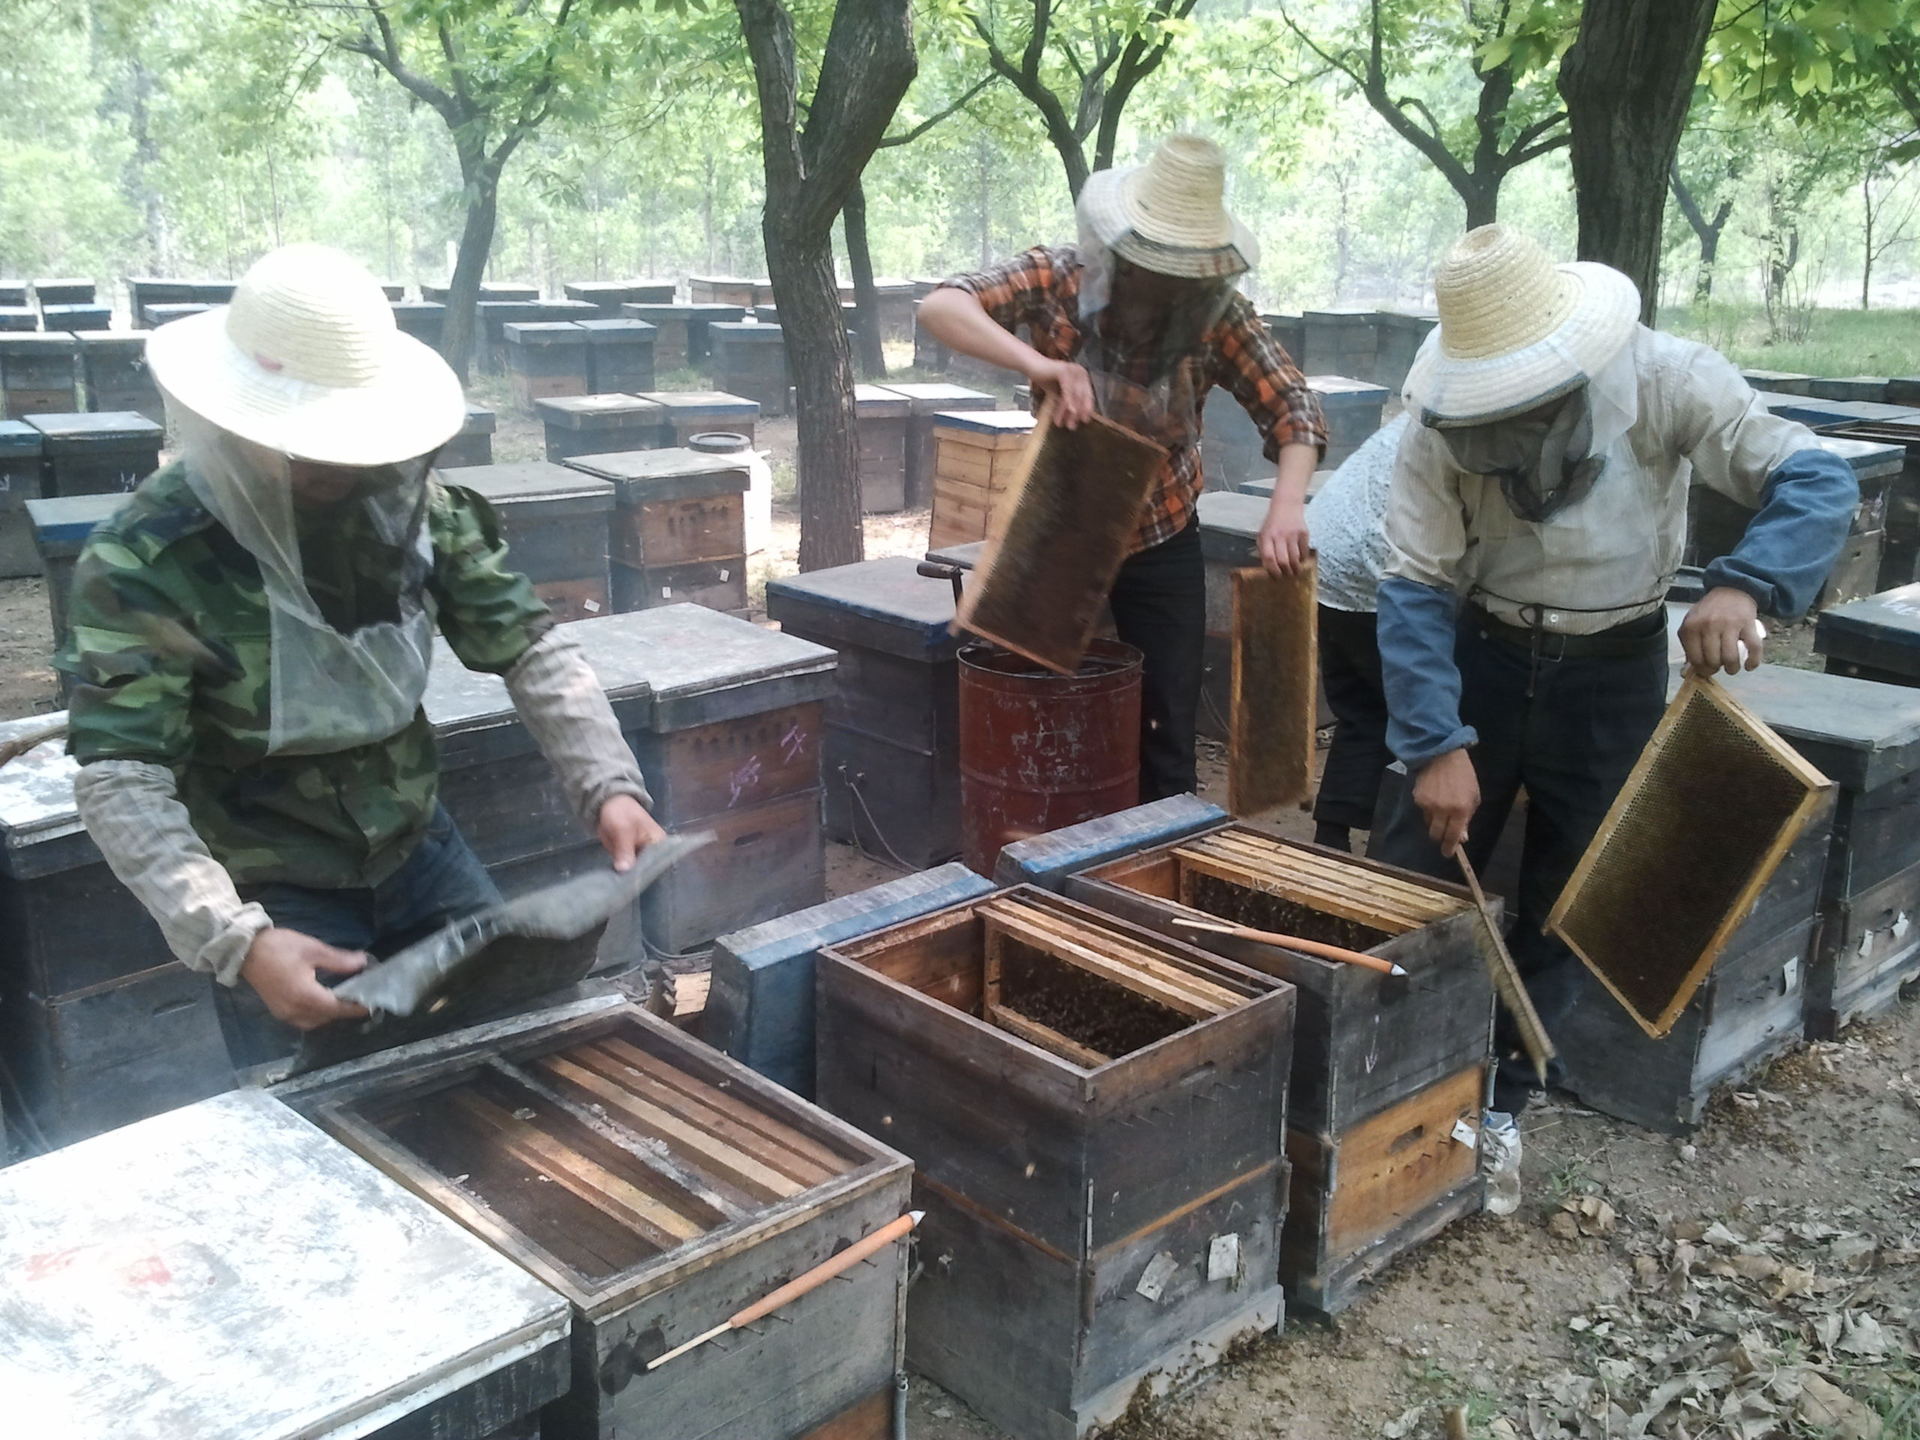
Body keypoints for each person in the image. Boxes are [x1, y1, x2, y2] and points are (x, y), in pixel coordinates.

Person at [60, 243, 665, 1068]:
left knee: (507, 1044)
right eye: (306, 442)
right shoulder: (144, 559)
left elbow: (530, 646)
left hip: (419, 846)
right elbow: (120, 776)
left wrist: (608, 784)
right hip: (271, 885)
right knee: (334, 1111)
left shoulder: (414, 507)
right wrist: (236, 939)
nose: (333, 465)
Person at [1370, 224, 1857, 1114]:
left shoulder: (1673, 379)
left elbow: (1819, 478)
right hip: (1481, 650)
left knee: (1575, 891)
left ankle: (1508, 1097)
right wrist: (1435, 742)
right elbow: (1414, 592)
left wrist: (1746, 586)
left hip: (1613, 667)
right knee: (1411, 872)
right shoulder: (1434, 426)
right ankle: (1375, 1086)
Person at [918, 134, 1326, 800]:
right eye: (1151, 261)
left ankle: (1151, 870)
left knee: (1165, 729)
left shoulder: (1220, 316)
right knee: (1041, 714)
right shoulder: (1057, 276)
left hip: (1163, 534)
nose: (1163, 281)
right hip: (1058, 531)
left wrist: (1287, 503)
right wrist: (1037, 364)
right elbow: (942, 305)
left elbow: (1294, 404)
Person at [1301, 412, 1411, 852]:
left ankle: (1332, 833)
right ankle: (1397, 847)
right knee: (1415, 712)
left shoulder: (1416, 413)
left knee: (1364, 710)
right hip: (1374, 566)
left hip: (1324, 558)